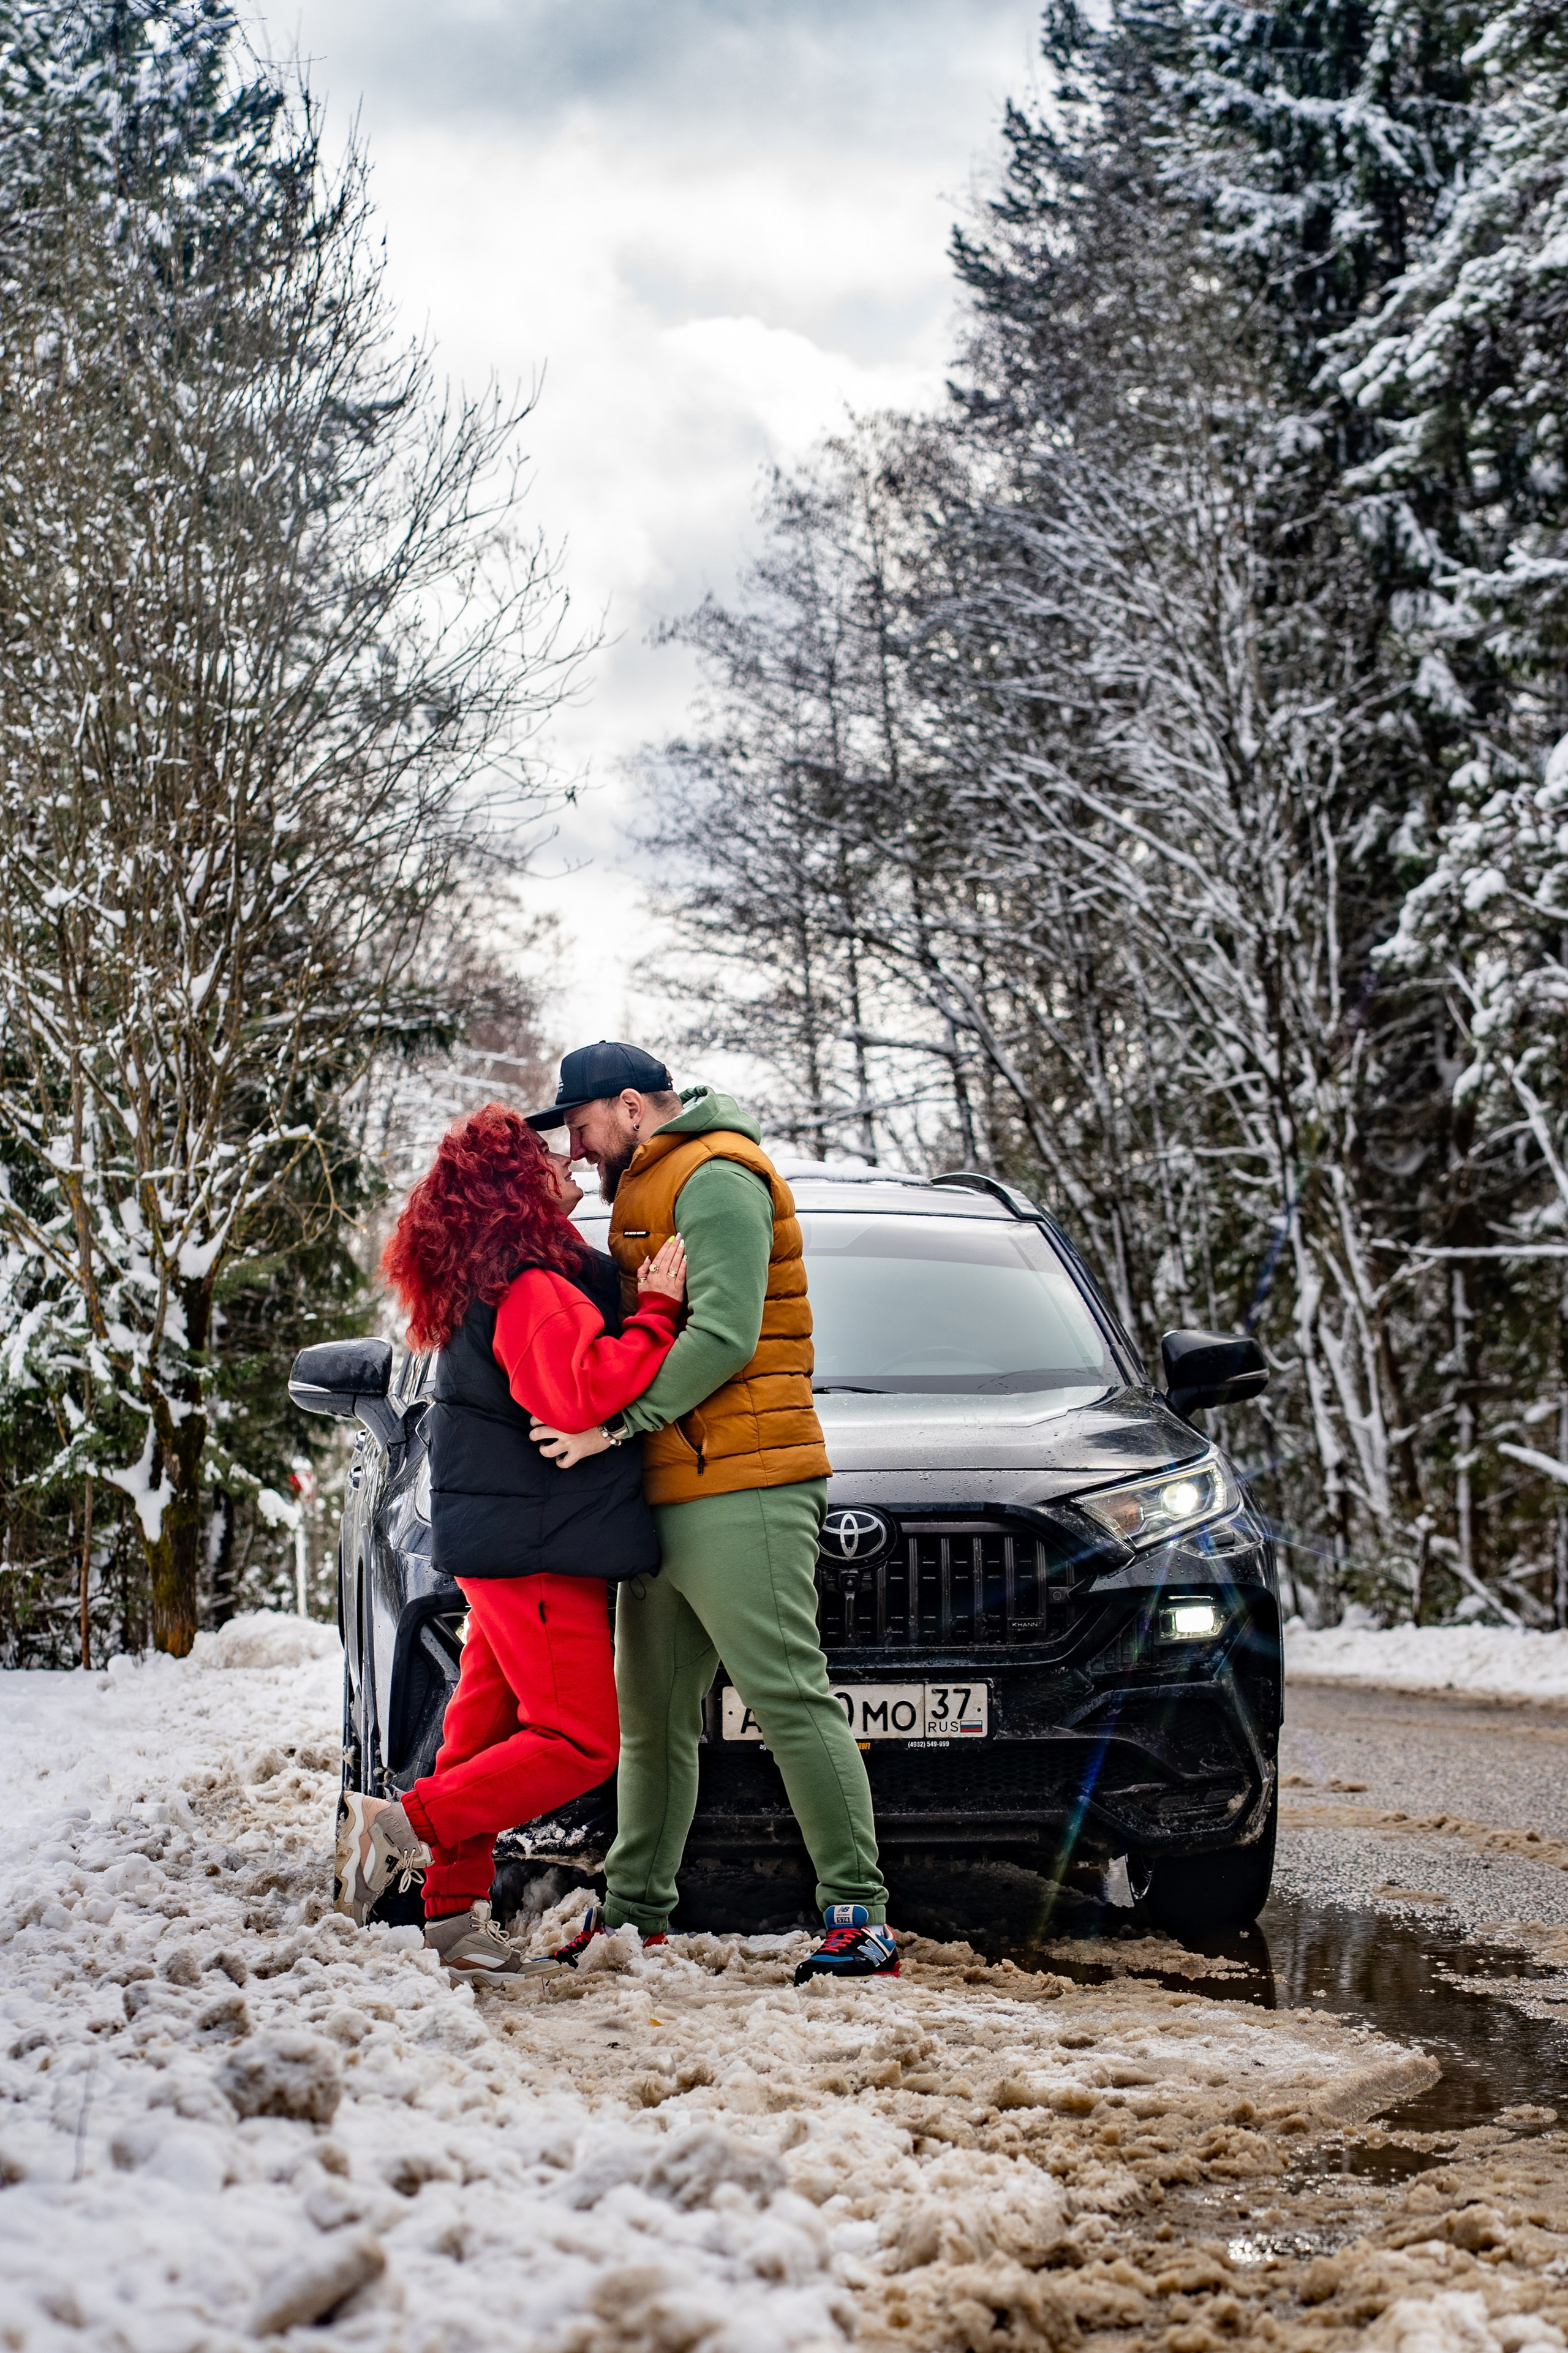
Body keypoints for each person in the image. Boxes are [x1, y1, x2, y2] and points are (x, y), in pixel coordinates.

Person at [524, 1040, 896, 1982]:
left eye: (581, 1123)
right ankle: (635, 1914)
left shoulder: (719, 1173)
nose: (576, 1145)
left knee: (786, 1697)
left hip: (745, 1481)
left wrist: (615, 1427)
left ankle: (861, 1917)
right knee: (651, 1721)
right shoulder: (645, 1184)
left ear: (630, 1105)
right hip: (668, 1487)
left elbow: (727, 1335)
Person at [335, 1100, 687, 1976]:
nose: (567, 1160)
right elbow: (578, 1396)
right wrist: (657, 1316)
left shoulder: (508, 1275)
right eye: (544, 1156)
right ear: (512, 1187)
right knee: (580, 1739)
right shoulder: (530, 1284)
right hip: (540, 1545)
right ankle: (402, 1825)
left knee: (481, 1737)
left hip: (511, 1539)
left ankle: (451, 1921)